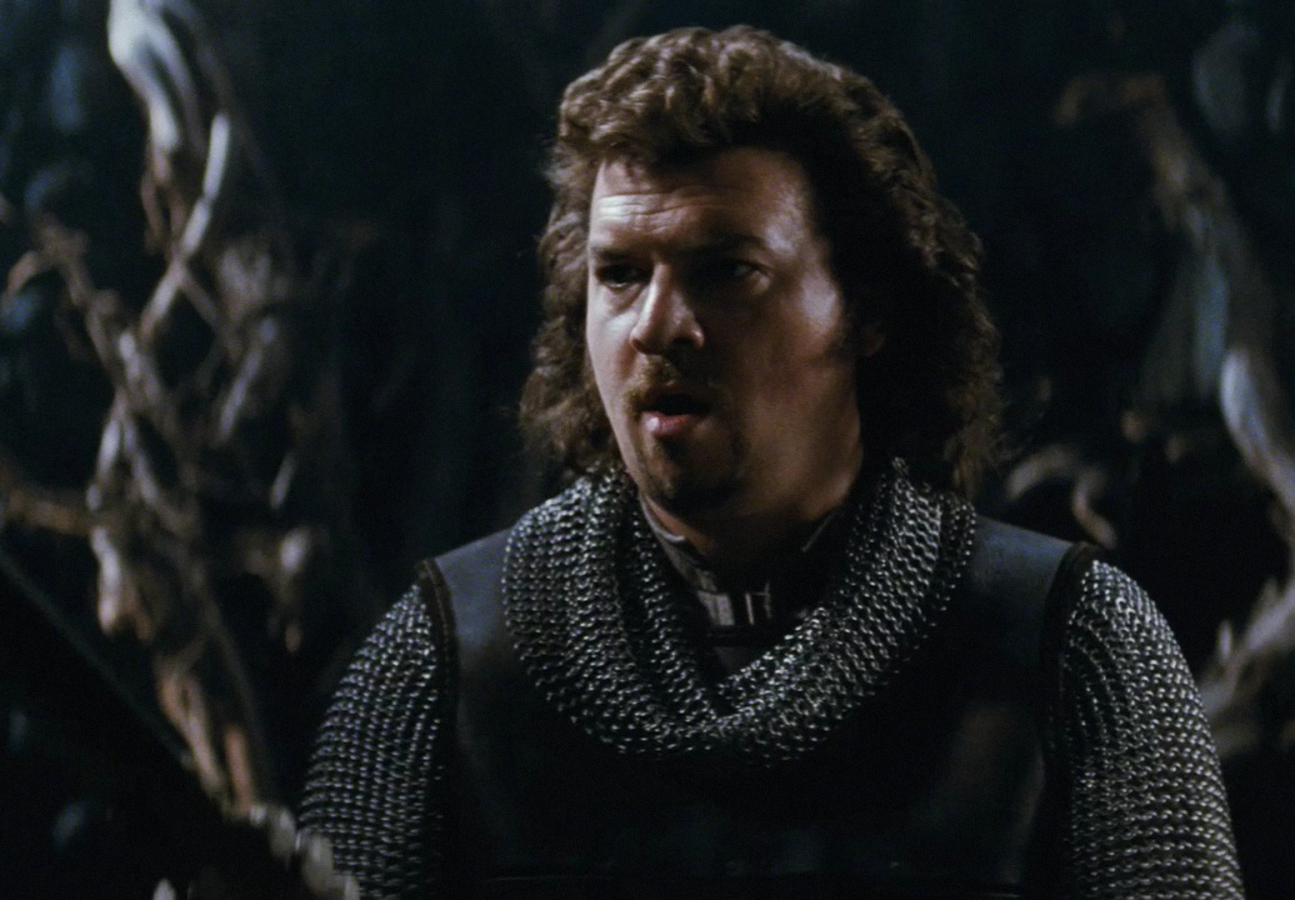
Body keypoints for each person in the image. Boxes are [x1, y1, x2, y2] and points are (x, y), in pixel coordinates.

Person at [300, 25, 1244, 899]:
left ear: (866, 310)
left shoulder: (1064, 647)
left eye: (727, 271)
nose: (657, 326)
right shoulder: (450, 662)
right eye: (620, 274)